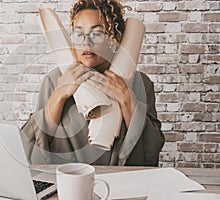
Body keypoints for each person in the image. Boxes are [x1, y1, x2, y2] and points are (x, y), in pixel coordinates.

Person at [21, 0, 165, 166]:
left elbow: (151, 151)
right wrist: (59, 94)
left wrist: (126, 100)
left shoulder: (141, 84)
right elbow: (31, 147)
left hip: (122, 183)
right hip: (67, 182)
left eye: (96, 33)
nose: (86, 42)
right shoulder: (54, 80)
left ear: (113, 39)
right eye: (78, 33)